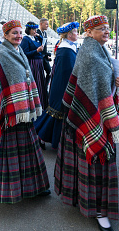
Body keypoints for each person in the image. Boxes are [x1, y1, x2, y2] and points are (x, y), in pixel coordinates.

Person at [55, 15, 119, 231]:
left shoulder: (98, 50)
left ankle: (87, 201)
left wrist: (114, 80)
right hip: (93, 118)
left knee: (89, 161)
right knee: (95, 160)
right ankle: (97, 209)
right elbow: (92, 88)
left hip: (93, 114)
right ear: (90, 32)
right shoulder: (91, 55)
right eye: (101, 29)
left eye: (107, 28)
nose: (106, 32)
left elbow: (100, 84)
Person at [0, 19, 50, 203]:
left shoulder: (20, 51)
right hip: (6, 114)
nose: (19, 36)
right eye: (14, 33)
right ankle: (4, 191)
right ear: (5, 35)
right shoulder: (0, 55)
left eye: (20, 32)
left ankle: (33, 187)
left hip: (21, 112)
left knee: (27, 152)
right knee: (5, 154)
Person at [34, 21, 79, 150]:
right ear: (69, 34)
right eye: (75, 31)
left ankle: (46, 136)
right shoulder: (66, 50)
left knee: (56, 112)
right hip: (63, 86)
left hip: (61, 85)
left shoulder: (67, 47)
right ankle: (42, 135)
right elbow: (69, 72)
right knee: (57, 112)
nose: (77, 33)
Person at [21, 21, 48, 110]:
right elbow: (25, 53)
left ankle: (41, 103)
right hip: (32, 63)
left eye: (35, 29)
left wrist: (38, 36)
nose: (35, 31)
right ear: (28, 29)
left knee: (40, 82)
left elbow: (43, 41)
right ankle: (32, 104)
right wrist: (36, 51)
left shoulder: (35, 38)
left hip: (39, 63)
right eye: (33, 29)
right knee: (34, 82)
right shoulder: (26, 39)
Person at [36, 18, 52, 86]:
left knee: (49, 72)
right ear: (41, 24)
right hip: (38, 56)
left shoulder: (45, 33)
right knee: (40, 74)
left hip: (45, 57)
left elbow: (44, 45)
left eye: (48, 24)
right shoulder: (36, 32)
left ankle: (45, 86)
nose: (47, 26)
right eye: (46, 24)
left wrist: (47, 54)